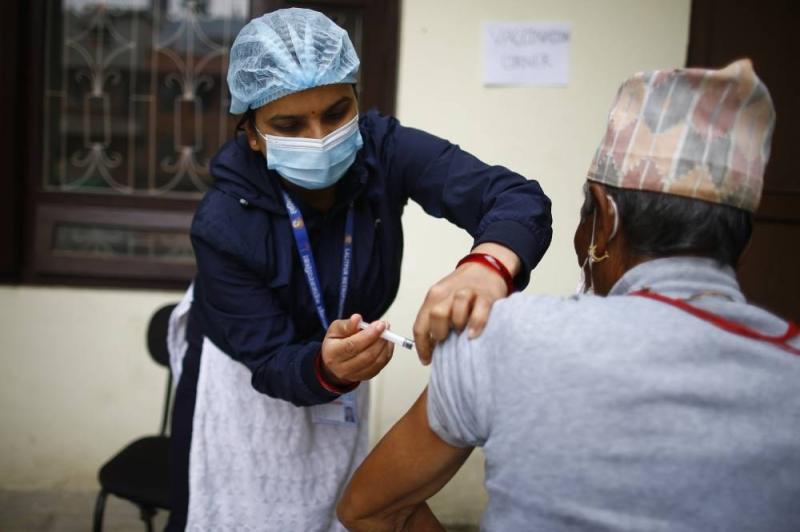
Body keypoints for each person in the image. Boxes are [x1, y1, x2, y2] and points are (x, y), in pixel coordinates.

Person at [338, 59, 800, 531]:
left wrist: (487, 267)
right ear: (740, 237)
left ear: (605, 218)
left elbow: (369, 508)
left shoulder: (499, 337)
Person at [165, 7, 552, 531]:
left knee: (333, 506)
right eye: (289, 124)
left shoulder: (383, 149)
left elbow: (514, 198)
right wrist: (324, 369)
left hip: (337, 365)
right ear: (253, 134)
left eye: (335, 112)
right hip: (245, 380)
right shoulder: (222, 224)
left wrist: (486, 267)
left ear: (355, 99)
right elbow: (270, 358)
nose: (320, 135)